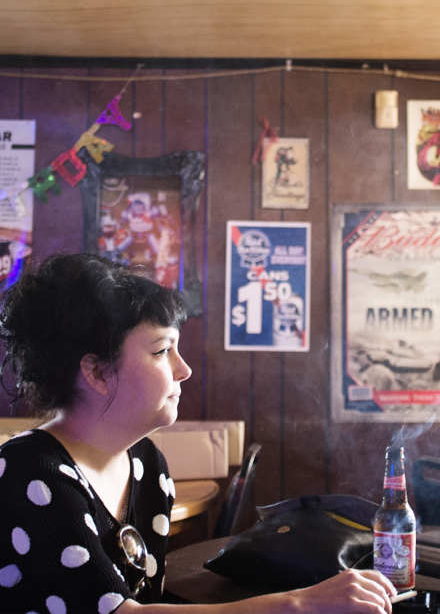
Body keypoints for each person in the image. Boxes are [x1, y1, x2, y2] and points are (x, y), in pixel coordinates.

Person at [0, 254, 396, 614]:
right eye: (161, 351)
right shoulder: (29, 472)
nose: (184, 369)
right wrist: (301, 604)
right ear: (98, 372)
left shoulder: (146, 464)